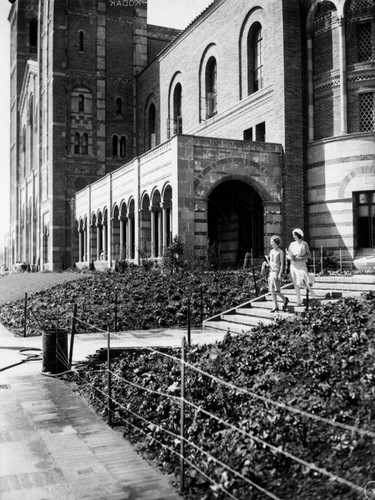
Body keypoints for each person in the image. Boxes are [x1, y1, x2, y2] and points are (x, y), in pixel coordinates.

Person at [286, 228, 315, 306]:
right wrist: (290, 257)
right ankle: (298, 301)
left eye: (295, 235)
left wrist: (300, 258)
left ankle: (310, 290)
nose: (293, 237)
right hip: (293, 265)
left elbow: (309, 255)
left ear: (298, 235)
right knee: (295, 283)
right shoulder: (292, 244)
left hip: (301, 265)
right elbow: (288, 253)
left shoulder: (304, 244)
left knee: (301, 283)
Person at [267, 235, 289, 313]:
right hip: (271, 271)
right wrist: (267, 262)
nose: (271, 244)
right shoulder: (271, 251)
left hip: (276, 271)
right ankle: (275, 305)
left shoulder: (280, 251)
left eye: (272, 242)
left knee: (276, 289)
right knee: (271, 290)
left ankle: (284, 299)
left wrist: (280, 273)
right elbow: (271, 262)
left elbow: (282, 263)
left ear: (276, 243)